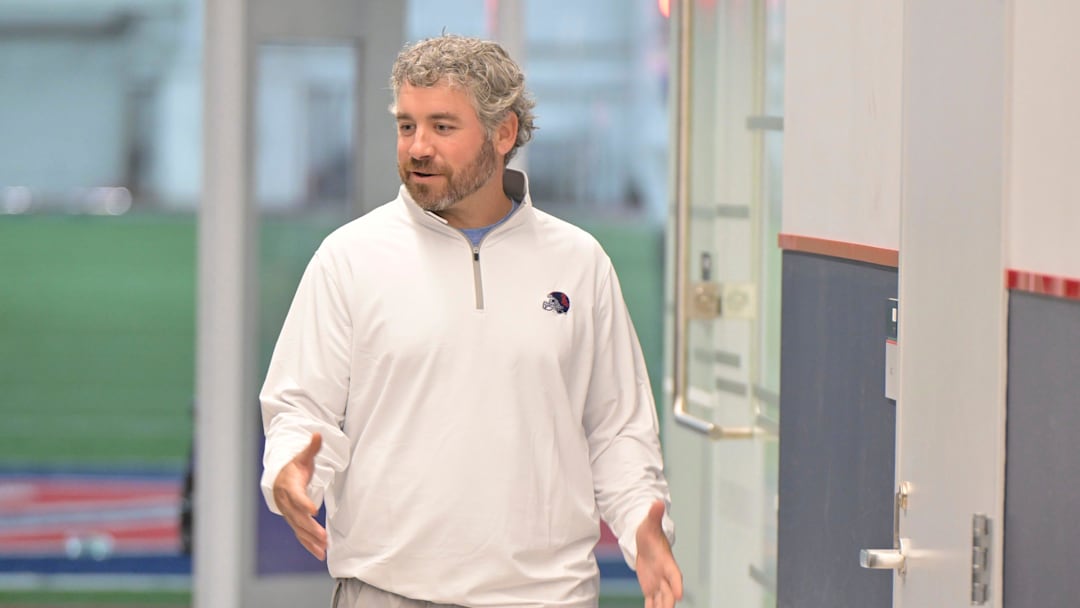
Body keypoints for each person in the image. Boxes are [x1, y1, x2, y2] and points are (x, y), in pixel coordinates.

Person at [260, 34, 682, 608]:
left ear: (503, 132)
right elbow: (301, 408)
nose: (418, 147)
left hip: (548, 596)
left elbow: (618, 430)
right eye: (407, 126)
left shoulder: (579, 263)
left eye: (442, 126)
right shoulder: (349, 258)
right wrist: (289, 472)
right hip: (387, 593)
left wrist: (644, 531)